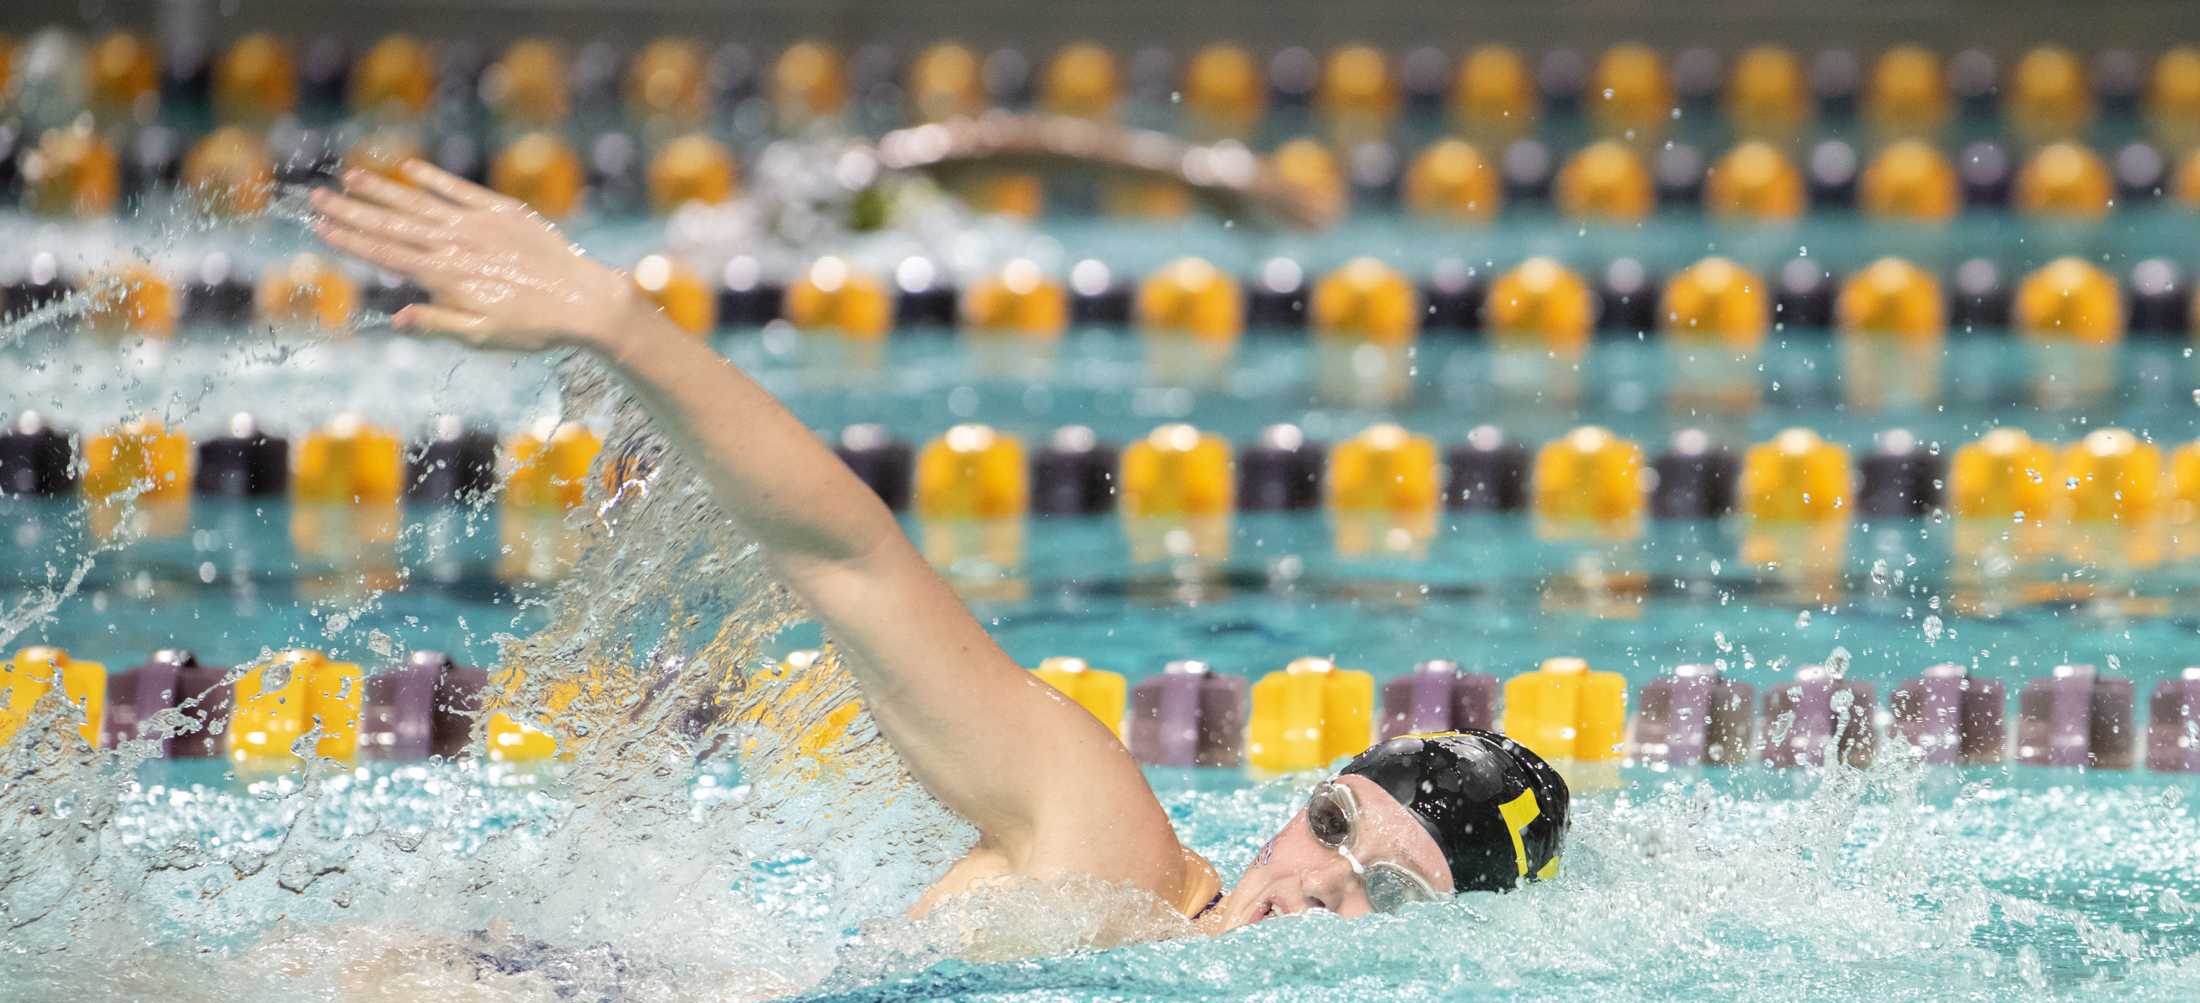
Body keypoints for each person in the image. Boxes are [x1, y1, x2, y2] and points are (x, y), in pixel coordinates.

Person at [307, 161, 1568, 935]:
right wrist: (619, 328)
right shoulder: (1107, 854)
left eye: (1386, 898)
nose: (1314, 885)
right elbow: (850, 557)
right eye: (1330, 823)